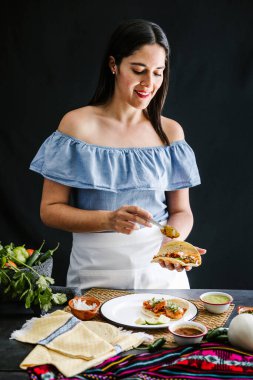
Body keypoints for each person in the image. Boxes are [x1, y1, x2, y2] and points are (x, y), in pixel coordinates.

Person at [30, 19, 205, 290]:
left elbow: (182, 211)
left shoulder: (170, 131)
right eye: (139, 70)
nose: (149, 83)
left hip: (160, 272)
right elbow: (49, 210)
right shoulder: (76, 125)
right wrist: (108, 220)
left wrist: (173, 243)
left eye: (158, 72)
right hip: (95, 270)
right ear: (114, 65)